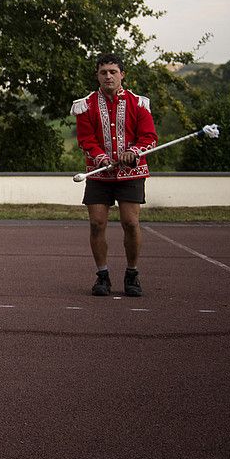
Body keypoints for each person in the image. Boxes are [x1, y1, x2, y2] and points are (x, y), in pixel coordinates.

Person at [72, 52, 158, 297]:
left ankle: (132, 274)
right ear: (97, 76)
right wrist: (102, 157)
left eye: (113, 72)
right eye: (103, 72)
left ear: (122, 74)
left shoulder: (138, 103)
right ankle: (102, 275)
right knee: (97, 223)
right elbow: (85, 139)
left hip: (131, 174)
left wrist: (134, 151)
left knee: (130, 223)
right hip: (99, 175)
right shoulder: (85, 105)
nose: (108, 76)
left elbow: (149, 137)